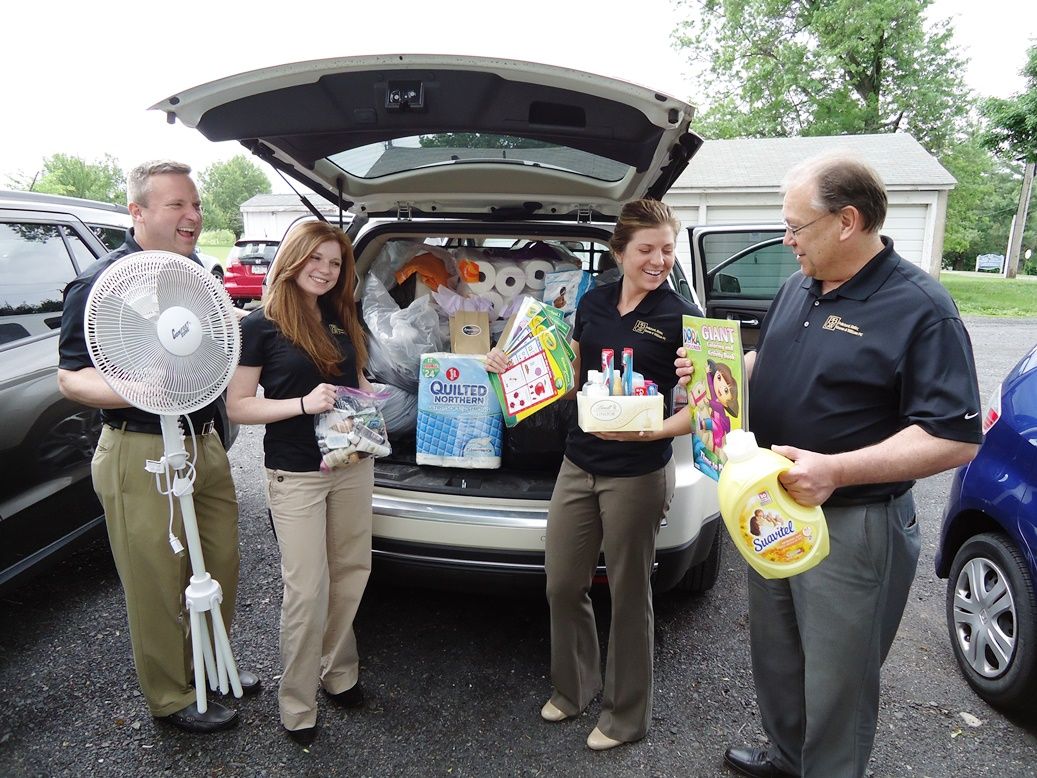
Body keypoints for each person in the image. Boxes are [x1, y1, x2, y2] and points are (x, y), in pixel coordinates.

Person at [677, 153, 982, 778]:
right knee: (779, 654)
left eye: (796, 227)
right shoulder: (799, 286)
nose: (786, 241)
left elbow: (953, 436)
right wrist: (719, 376)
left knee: (839, 678)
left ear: (846, 221)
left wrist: (837, 470)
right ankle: (789, 757)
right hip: (769, 507)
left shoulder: (920, 307)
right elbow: (775, 362)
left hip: (853, 523)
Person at [487, 199, 702, 751]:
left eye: (667, 249)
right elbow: (573, 362)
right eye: (646, 249)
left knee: (631, 593)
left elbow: (706, 405)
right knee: (562, 581)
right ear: (620, 252)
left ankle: (626, 715)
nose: (658, 260)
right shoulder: (597, 299)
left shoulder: (682, 317)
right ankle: (574, 687)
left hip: (637, 472)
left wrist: (653, 431)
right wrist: (515, 358)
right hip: (579, 461)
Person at [57, 160, 260, 734]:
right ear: (138, 212)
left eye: (195, 204)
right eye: (177, 205)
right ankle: (171, 694)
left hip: (204, 442)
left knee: (219, 562)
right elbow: (71, 378)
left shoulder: (193, 276)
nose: (193, 215)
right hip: (139, 449)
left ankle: (211, 663)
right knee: (156, 577)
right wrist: (134, 387)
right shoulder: (104, 285)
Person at [226, 220, 373, 748]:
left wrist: (367, 398)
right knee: (307, 590)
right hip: (296, 474)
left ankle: (339, 673)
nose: (326, 271)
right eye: (317, 259)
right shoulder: (260, 324)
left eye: (335, 263)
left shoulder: (339, 315)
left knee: (352, 572)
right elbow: (238, 405)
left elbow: (352, 382)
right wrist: (303, 404)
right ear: (294, 258)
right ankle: (297, 702)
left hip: (351, 463)